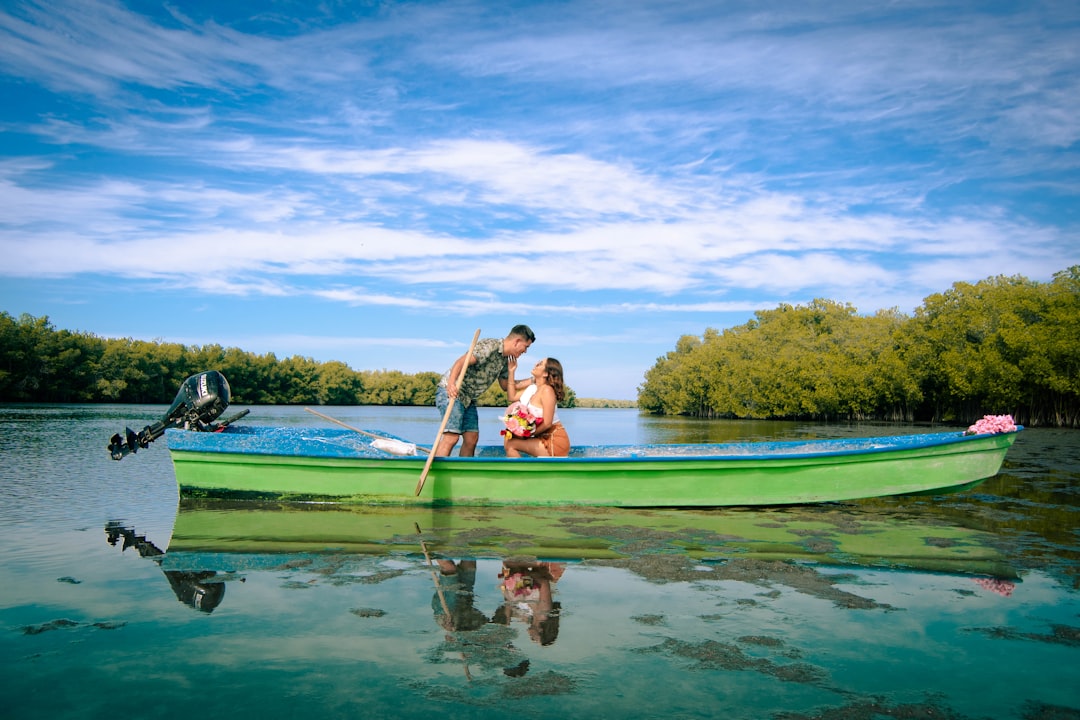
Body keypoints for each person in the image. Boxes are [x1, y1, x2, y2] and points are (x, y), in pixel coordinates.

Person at [435, 324, 535, 457]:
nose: (525, 351)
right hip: (452, 391)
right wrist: (451, 384)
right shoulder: (490, 346)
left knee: (471, 438)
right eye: (526, 347)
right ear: (517, 341)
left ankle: (464, 473)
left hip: (468, 398)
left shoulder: (506, 360)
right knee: (451, 437)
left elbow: (507, 386)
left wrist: (534, 380)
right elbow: (461, 362)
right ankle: (439, 474)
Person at [502, 356, 570, 457]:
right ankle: (523, 470)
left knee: (511, 444)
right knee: (508, 439)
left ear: (546, 373)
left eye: (540, 364)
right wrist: (511, 372)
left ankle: (521, 472)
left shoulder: (547, 391)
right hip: (541, 436)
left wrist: (526, 435)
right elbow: (512, 396)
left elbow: (547, 423)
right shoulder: (533, 389)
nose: (535, 365)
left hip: (553, 439)